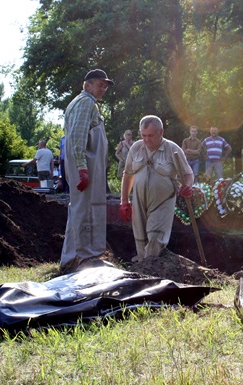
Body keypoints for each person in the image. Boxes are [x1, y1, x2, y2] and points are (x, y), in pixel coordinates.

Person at [60, 69, 115, 275]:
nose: (103, 89)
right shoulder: (86, 103)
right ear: (88, 84)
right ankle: (85, 257)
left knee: (79, 208)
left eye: (105, 86)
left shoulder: (79, 102)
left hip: (84, 165)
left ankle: (72, 257)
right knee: (85, 209)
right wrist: (82, 168)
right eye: (100, 84)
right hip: (85, 167)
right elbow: (77, 137)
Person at [120, 115, 194, 261]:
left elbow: (188, 174)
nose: (147, 140)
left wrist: (188, 186)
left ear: (161, 132)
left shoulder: (172, 149)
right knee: (140, 238)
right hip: (139, 201)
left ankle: (151, 268)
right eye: (143, 135)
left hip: (163, 201)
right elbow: (128, 174)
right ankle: (142, 268)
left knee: (155, 237)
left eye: (151, 136)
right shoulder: (136, 148)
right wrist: (124, 201)